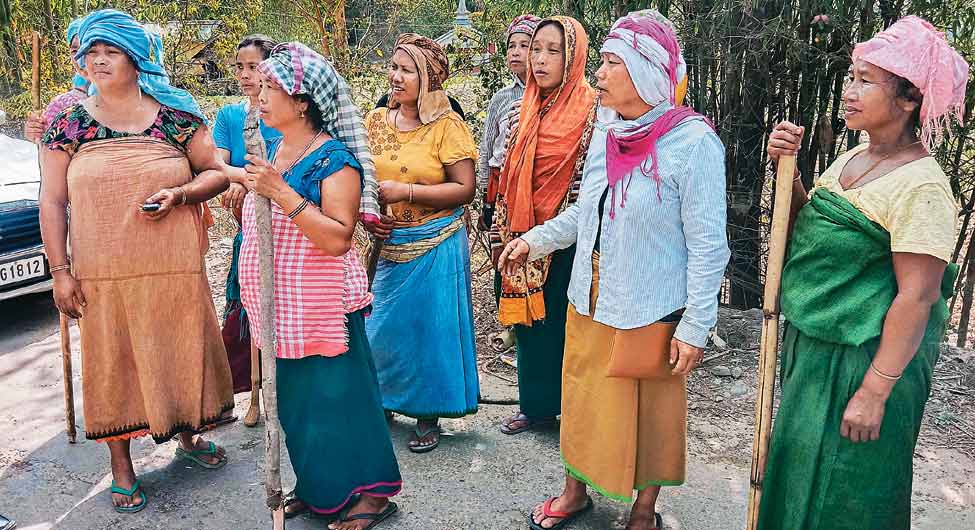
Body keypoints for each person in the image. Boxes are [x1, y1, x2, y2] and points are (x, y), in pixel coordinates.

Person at [500, 10, 728, 530]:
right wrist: (533, 241)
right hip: (590, 296)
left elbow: (710, 246)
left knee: (651, 413)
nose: (597, 74)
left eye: (609, 63)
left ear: (645, 71)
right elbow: (589, 211)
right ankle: (574, 492)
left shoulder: (692, 145)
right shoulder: (610, 129)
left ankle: (643, 510)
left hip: (652, 304)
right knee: (581, 399)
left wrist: (695, 326)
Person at [758, 16, 967, 530]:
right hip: (817, 354)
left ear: (908, 100)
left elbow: (916, 299)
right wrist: (790, 172)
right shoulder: (853, 158)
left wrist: (874, 392)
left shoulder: (923, 188)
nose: (849, 92)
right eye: (851, 77)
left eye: (865, 81)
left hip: (868, 363)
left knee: (849, 495)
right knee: (797, 474)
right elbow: (814, 229)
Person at [38, 9, 234, 514]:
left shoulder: (175, 115)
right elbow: (52, 200)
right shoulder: (68, 121)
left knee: (180, 348)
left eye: (111, 52)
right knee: (114, 362)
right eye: (91, 53)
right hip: (104, 274)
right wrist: (60, 272)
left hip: (172, 268)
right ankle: (121, 467)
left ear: (137, 58)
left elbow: (215, 174)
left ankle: (188, 435)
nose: (98, 61)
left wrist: (181, 193)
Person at [238, 42, 401, 529]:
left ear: (303, 101)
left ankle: (371, 496)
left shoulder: (336, 159)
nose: (260, 96)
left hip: (323, 306)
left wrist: (280, 192)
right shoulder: (277, 149)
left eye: (271, 88)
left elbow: (337, 237)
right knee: (296, 404)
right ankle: (319, 488)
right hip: (281, 306)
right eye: (260, 86)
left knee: (342, 401)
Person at [363, 33, 479, 453]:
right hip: (388, 242)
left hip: (436, 240)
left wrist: (406, 193)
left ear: (428, 79)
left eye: (406, 70)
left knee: (428, 330)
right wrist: (367, 216)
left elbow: (465, 188)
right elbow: (360, 176)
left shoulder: (447, 127)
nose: (395, 76)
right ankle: (383, 400)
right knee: (380, 327)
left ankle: (428, 415)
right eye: (393, 66)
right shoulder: (376, 121)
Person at [491, 16, 597, 436]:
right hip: (519, 229)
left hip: (570, 233)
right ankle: (535, 406)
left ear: (573, 57)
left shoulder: (594, 109)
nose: (540, 60)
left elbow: (591, 180)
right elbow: (506, 167)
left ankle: (573, 410)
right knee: (529, 326)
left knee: (563, 323)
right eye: (536, 49)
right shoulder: (523, 107)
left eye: (553, 51)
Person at [212, 34, 282, 427]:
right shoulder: (230, 116)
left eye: (253, 67)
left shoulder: (287, 115)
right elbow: (217, 166)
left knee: (283, 314)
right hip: (249, 232)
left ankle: (279, 391)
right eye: (239, 67)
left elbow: (284, 174)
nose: (244, 75)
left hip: (289, 232)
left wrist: (245, 179)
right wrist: (239, 178)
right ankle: (251, 392)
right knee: (246, 312)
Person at [477, 14, 539, 232]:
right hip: (500, 182)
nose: (515, 51)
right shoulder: (501, 98)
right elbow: (487, 147)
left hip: (534, 185)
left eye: (524, 45)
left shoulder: (550, 96)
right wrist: (485, 194)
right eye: (511, 46)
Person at [24, 16, 90, 142]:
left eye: (89, 49)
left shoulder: (135, 98)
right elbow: (47, 151)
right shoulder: (62, 104)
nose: (81, 59)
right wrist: (37, 133)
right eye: (75, 51)